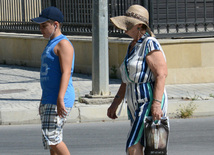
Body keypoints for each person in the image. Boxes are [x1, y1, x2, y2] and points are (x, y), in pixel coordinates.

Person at [107, 5, 168, 155]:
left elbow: (161, 74)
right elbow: (127, 79)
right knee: (141, 145)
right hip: (134, 103)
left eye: (128, 24)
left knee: (133, 146)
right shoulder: (132, 45)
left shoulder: (149, 43)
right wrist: (116, 103)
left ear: (140, 26)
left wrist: (156, 103)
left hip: (147, 101)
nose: (124, 28)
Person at [31, 6, 75, 155]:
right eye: (40, 26)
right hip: (49, 98)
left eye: (44, 26)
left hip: (59, 98)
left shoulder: (63, 44)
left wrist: (60, 98)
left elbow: (66, 72)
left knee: (52, 137)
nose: (41, 29)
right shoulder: (51, 43)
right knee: (51, 141)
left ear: (55, 25)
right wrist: (43, 100)